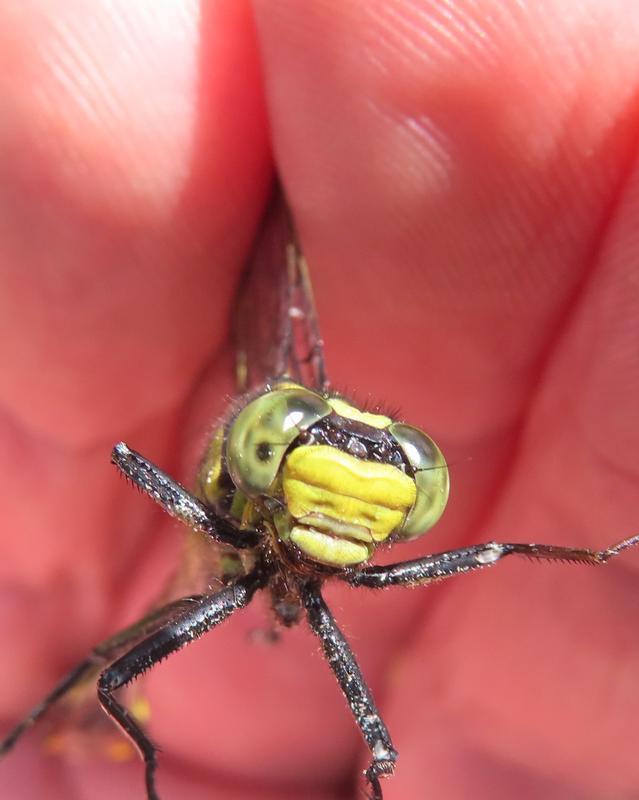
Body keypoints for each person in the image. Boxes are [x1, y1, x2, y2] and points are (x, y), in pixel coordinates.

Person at [0, 1, 637, 798]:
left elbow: (495, 549)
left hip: (243, 558)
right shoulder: (237, 523)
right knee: (105, 674)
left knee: (380, 753)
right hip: (225, 552)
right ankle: (114, 754)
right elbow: (130, 461)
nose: (354, 477)